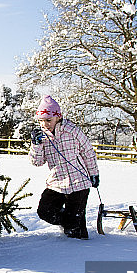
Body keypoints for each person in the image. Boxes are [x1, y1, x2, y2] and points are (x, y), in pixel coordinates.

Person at [29, 95, 99, 239]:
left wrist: (94, 173)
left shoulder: (72, 131)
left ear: (58, 117)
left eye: (48, 120)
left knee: (75, 229)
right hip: (57, 183)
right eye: (41, 120)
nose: (45, 124)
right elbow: (37, 162)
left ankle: (79, 237)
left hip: (79, 182)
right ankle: (71, 223)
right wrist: (36, 145)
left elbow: (88, 152)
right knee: (45, 211)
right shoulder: (41, 137)